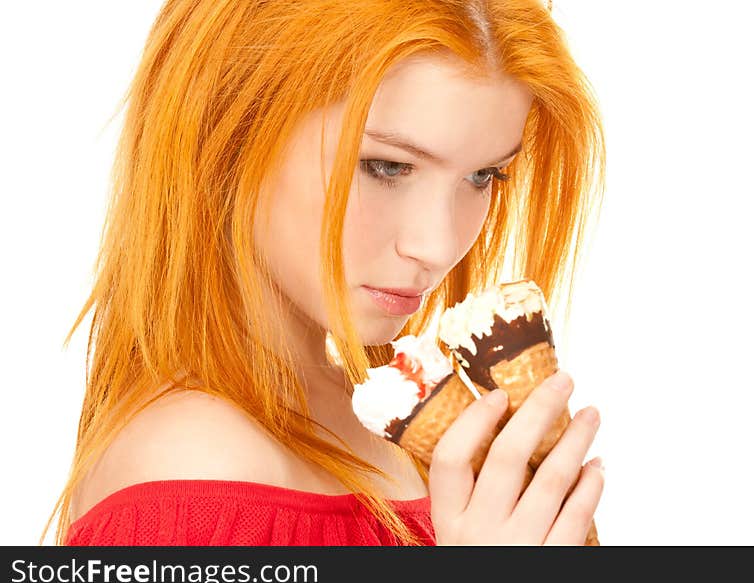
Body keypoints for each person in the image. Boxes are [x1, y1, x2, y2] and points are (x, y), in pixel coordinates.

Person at [44, 0, 606, 546]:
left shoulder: (396, 425)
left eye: (484, 176)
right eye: (385, 166)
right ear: (229, 130)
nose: (436, 246)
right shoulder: (193, 473)